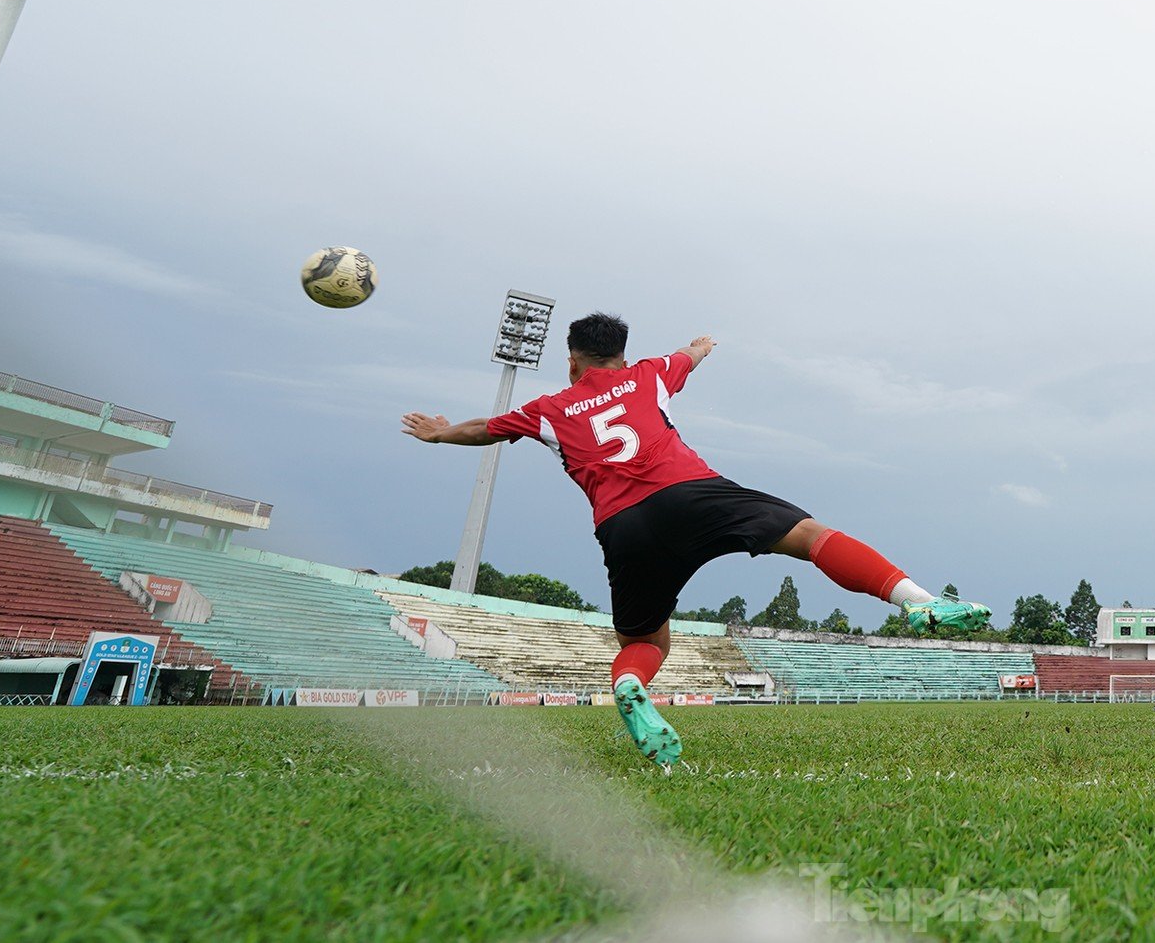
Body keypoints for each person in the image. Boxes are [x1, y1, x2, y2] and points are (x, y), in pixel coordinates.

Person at [404, 313, 991, 769]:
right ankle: (918, 600)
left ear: (573, 360)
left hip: (622, 526)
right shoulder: (649, 373)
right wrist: (699, 349)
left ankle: (631, 685)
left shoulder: (550, 408)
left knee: (645, 639)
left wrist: (440, 433)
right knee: (812, 537)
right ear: (621, 356)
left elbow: (487, 428)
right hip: (694, 495)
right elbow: (685, 357)